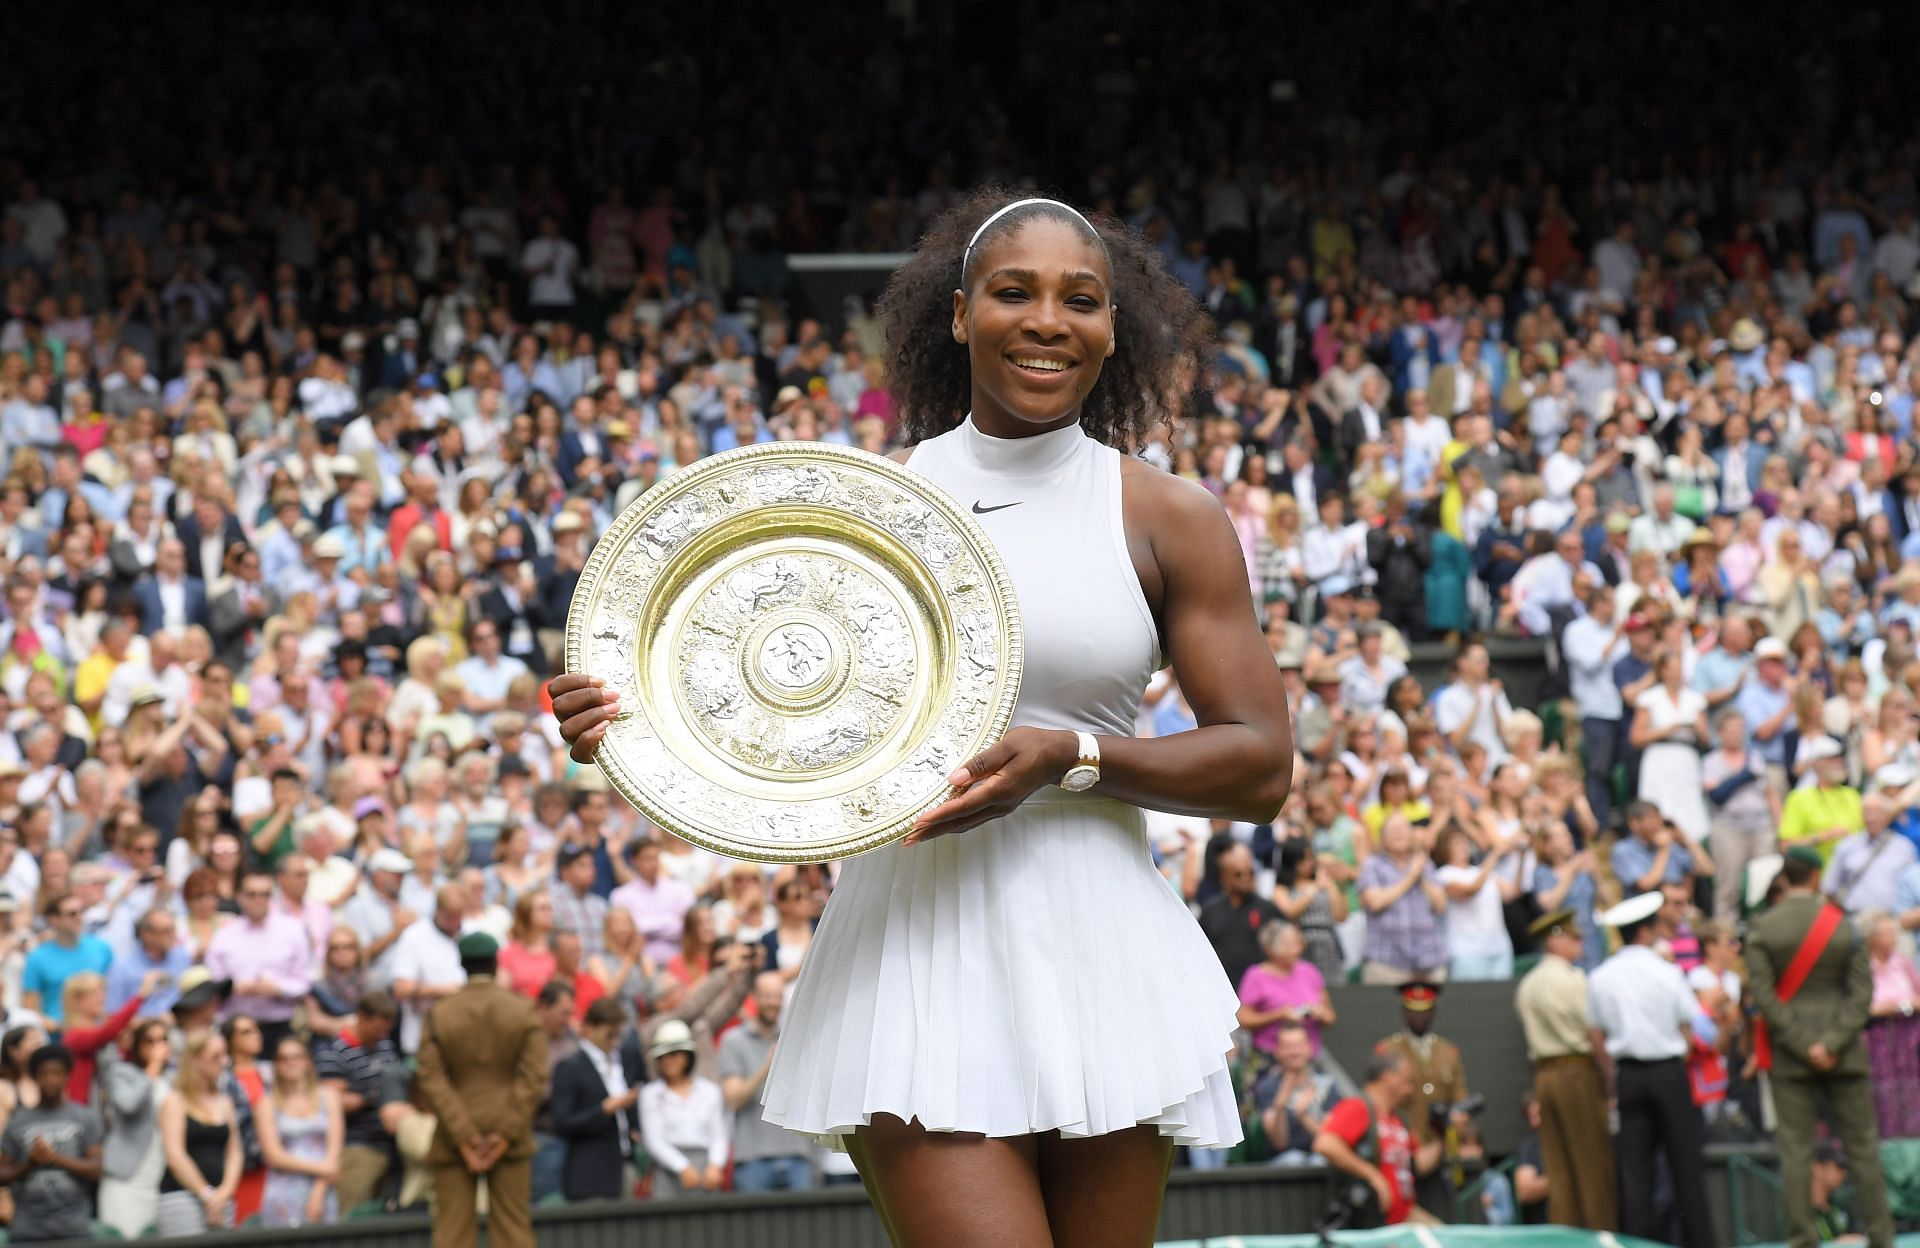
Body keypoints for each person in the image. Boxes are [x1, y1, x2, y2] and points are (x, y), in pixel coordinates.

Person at [555, 192, 1295, 1246]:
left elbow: (1261, 766)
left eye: (1079, 300)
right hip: (913, 958)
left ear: (1112, 330)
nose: (1048, 320)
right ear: (957, 316)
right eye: (1014, 292)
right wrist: (625, 718)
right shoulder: (860, 505)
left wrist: (1071, 757)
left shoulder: (1169, 516)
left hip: (1106, 954)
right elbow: (753, 695)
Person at [1747, 847, 1893, 1248]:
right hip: (1843, 1051)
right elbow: (1862, 992)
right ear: (1814, 877)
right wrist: (1830, 1042)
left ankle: (1802, 1239)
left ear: (1785, 878)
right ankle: (1881, 1237)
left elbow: (1763, 996)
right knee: (1863, 1147)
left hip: (1790, 1056)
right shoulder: (1844, 926)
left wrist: (1802, 1043)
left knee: (1796, 1151)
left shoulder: (1763, 928)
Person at [1586, 891, 1715, 1248]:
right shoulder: (1667, 972)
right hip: (1668, 1073)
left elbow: (1595, 1034)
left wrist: (1610, 1074)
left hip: (1628, 1075)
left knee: (1636, 1173)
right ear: (1645, 932)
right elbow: (1689, 1028)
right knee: (1685, 1167)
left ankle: (1639, 1244)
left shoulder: (1601, 977)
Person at [414, 932, 546, 1248]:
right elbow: (535, 1076)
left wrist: (465, 1137)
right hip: (509, 1133)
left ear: (462, 964)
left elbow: (430, 1077)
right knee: (514, 1232)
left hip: (452, 1135)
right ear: (495, 962)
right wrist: (503, 1135)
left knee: (452, 1234)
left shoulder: (440, 1012)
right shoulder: (521, 1009)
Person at [1512, 909, 1616, 1230]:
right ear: (1555, 939)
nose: (1579, 942)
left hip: (1544, 1076)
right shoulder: (1574, 980)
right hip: (1577, 1073)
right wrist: (1608, 1076)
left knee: (1558, 1167)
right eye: (1572, 936)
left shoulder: (1527, 985)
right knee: (1592, 1163)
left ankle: (1564, 1235)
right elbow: (1592, 1030)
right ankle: (1601, 1234)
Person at [1311, 1049, 1442, 1228]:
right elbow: (1325, 1144)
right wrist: (1373, 1175)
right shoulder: (1357, 1107)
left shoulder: (1398, 1118)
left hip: (1405, 1217)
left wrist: (1441, 1138)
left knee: (1448, 1239)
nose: (1410, 1090)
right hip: (1372, 1222)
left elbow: (1417, 1163)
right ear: (1389, 1078)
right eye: (1407, 1083)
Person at [1372, 981, 1469, 1215]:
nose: (1419, 1017)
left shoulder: (1448, 1052)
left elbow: (1460, 1099)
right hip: (1404, 1150)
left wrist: (1458, 1123)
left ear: (1433, 1011)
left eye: (1424, 1011)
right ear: (1404, 1011)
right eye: (1413, 1011)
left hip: (1442, 1148)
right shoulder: (1388, 1050)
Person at [719, 970, 814, 1193]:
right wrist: (767, 1067)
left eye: (777, 996)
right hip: (753, 1158)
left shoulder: (797, 1037)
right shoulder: (733, 1041)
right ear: (754, 997)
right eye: (767, 996)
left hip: (798, 1153)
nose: (773, 1002)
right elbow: (733, 1099)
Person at [0, 1044, 103, 1243]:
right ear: (34, 1077)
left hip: (75, 1228)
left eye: (57, 1073)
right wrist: (30, 1163)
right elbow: (2, 1173)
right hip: (28, 1230)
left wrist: (54, 1158)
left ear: (67, 1075)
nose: (50, 1080)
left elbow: (97, 1169)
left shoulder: (84, 1117)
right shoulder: (18, 1121)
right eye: (43, 1073)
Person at [312, 989, 402, 1214]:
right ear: (362, 1017)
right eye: (378, 1028)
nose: (382, 1034)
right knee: (354, 1213)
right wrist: (371, 1097)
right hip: (358, 1149)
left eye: (387, 1029)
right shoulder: (335, 1053)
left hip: (390, 1147)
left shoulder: (386, 1046)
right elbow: (331, 1102)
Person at [548, 997, 638, 1202]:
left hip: (622, 1165)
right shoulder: (570, 1067)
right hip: (589, 1175)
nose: (615, 1041)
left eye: (618, 1035)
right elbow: (562, 1122)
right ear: (590, 1028)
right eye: (610, 1034)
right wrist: (604, 1110)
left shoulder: (619, 1063)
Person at [157, 1030, 243, 1235]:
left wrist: (224, 1193)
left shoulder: (225, 1101)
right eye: (216, 1056)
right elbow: (175, 1155)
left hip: (223, 1202)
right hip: (181, 1200)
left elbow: (235, 1153)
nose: (223, 1062)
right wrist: (207, 1195)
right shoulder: (175, 1101)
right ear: (195, 1059)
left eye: (225, 1054)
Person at [256, 1034, 345, 1227]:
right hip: (283, 1191)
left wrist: (318, 1191)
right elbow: (274, 1156)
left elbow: (334, 1150)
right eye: (284, 1058)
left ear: (308, 1061)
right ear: (276, 1065)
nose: (291, 1063)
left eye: (297, 1056)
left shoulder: (329, 1097)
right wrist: (324, 1168)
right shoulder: (266, 1103)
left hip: (323, 1188)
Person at [637, 1018, 729, 1199]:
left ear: (687, 1055)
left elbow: (719, 1136)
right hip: (668, 1172)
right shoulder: (650, 1094)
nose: (667, 1061)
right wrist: (682, 1167)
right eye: (662, 1057)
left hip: (706, 1173)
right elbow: (654, 1140)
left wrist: (715, 1165)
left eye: (674, 1054)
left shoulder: (710, 1091)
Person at [99, 1018, 173, 1238]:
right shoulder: (121, 1072)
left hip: (160, 1175)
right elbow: (128, 1104)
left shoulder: (173, 1078)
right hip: (128, 1175)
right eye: (149, 1041)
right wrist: (152, 1069)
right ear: (138, 1045)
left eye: (162, 1041)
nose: (157, 1047)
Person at [1235, 919, 1334, 1058]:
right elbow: (1243, 1019)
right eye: (1289, 946)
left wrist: (1320, 1014)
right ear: (1270, 950)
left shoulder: (1309, 971)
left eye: (1298, 944)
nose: (1297, 950)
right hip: (1269, 1056)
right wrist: (1278, 1015)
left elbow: (1330, 1017)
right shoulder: (1256, 976)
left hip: (1309, 1055)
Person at [1861, 910, 1920, 1138]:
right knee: (1882, 1093)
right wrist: (1883, 1008)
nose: (1893, 938)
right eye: (1887, 933)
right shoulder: (1863, 967)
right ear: (1873, 938)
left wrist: (1904, 1005)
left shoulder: (1902, 963)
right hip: (1877, 1038)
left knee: (1911, 1091)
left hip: (1908, 1036)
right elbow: (1859, 1006)